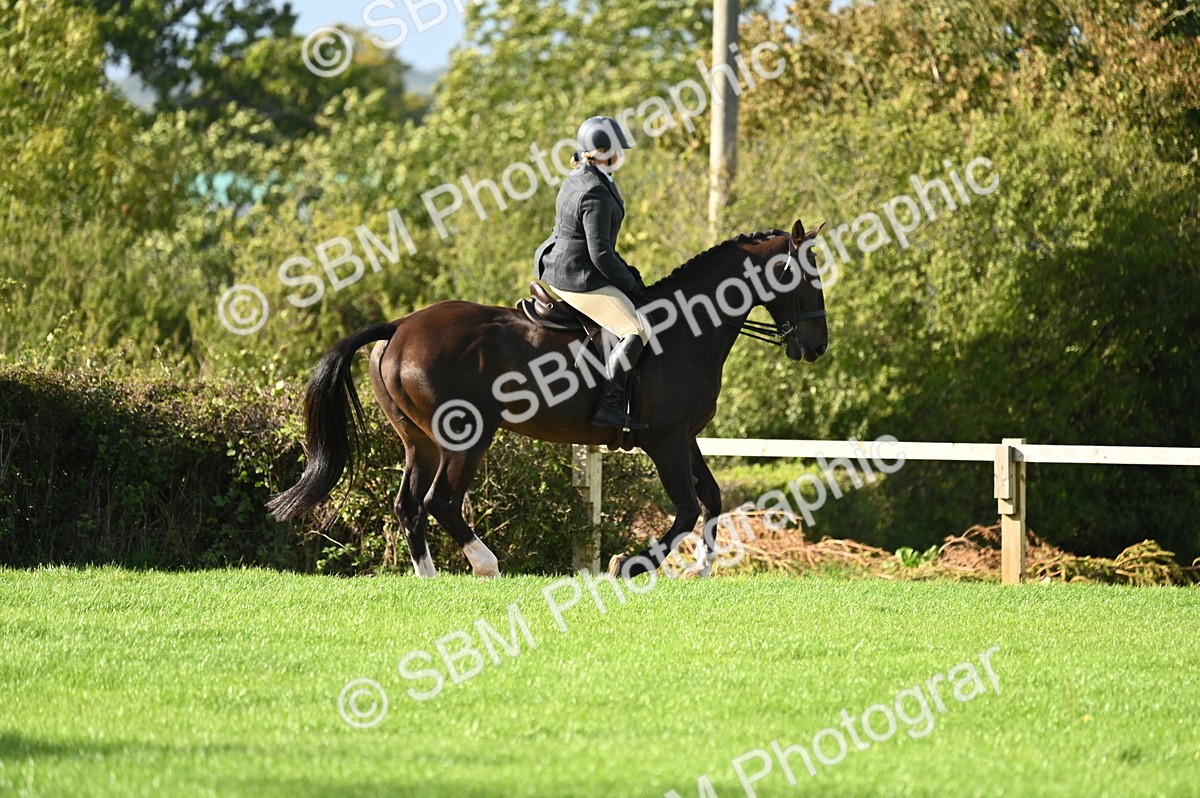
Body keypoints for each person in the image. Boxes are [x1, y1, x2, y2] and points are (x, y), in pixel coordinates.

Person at [534, 116, 650, 431]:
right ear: (604, 151)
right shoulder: (595, 190)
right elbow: (600, 253)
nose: (622, 155)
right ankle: (608, 408)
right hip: (577, 275)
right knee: (636, 330)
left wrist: (628, 272)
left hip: (564, 262)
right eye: (617, 150)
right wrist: (631, 284)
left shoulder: (582, 175)